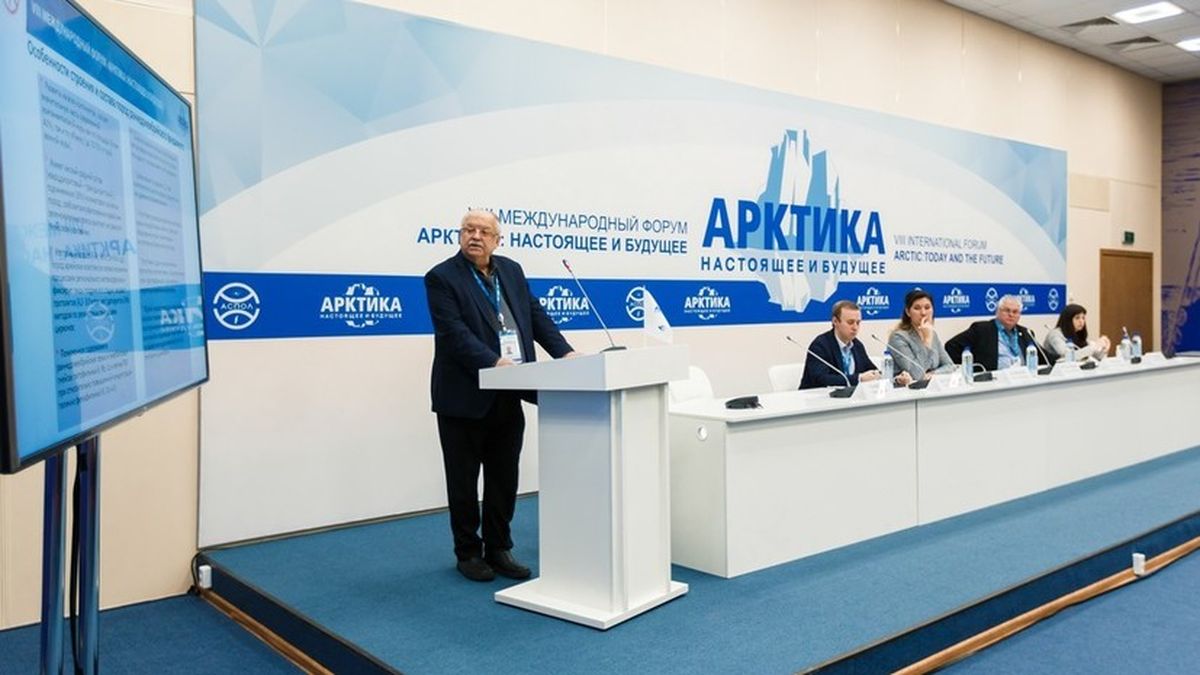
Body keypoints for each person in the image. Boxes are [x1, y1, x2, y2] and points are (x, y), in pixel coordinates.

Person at [424, 209, 577, 582]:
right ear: (460, 235)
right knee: (463, 482)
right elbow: (453, 334)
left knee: (503, 478)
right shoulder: (441, 277)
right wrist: (494, 362)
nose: (475, 236)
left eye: (483, 231)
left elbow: (535, 316)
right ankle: (467, 553)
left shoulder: (511, 270)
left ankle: (498, 548)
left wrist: (566, 353)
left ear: (497, 239)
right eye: (468, 229)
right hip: (464, 397)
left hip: (510, 392)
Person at [799, 300, 912, 389]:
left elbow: (872, 371)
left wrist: (895, 379)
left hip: (848, 401)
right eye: (850, 322)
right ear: (835, 321)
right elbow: (821, 379)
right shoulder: (820, 345)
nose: (855, 327)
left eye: (858, 323)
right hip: (816, 402)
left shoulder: (857, 345)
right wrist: (859, 378)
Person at [945, 294, 1048, 371]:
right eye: (1007, 310)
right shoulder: (982, 329)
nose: (1011, 315)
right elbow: (951, 346)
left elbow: (1044, 357)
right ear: (997, 311)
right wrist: (972, 369)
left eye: (1015, 312)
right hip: (994, 381)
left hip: (1022, 379)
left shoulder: (1025, 332)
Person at [887, 289, 956, 381]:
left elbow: (950, 366)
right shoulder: (898, 337)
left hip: (932, 386)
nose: (923, 313)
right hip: (907, 388)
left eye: (927, 308)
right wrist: (927, 341)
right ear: (908, 312)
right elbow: (916, 375)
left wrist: (933, 374)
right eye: (917, 308)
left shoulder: (932, 334)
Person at [1044, 304, 1110, 362]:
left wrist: (1103, 348)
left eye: (1083, 318)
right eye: (1077, 318)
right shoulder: (1055, 335)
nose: (1081, 321)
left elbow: (1096, 357)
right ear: (1068, 320)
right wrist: (1094, 347)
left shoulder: (1077, 334)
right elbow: (1068, 356)